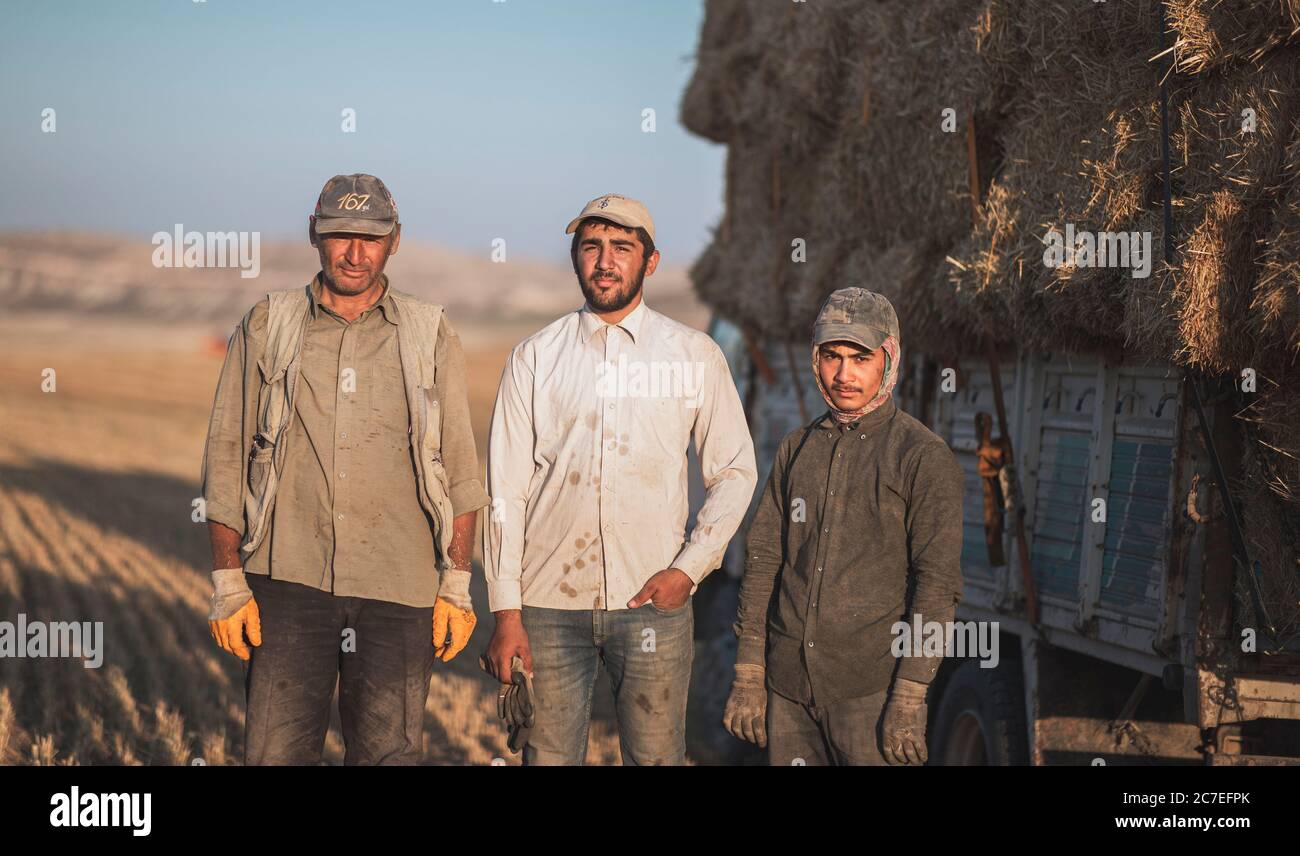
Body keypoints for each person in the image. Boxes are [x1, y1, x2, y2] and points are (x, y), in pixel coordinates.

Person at [201, 174, 487, 764]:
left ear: (395, 241)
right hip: (287, 580)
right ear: (314, 233)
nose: (355, 254)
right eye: (340, 236)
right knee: (274, 755)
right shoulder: (268, 324)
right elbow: (226, 456)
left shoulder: (428, 331)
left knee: (389, 757)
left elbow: (459, 467)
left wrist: (456, 585)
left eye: (371, 238)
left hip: (400, 588)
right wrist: (230, 584)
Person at [483, 194, 757, 765]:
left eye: (622, 248)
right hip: (549, 606)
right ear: (575, 258)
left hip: (653, 605)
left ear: (649, 262)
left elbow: (733, 472)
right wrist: (507, 612)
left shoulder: (694, 357)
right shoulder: (535, 358)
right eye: (591, 247)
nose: (605, 262)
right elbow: (504, 492)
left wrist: (689, 568)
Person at [723, 287, 964, 765]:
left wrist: (911, 694)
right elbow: (765, 559)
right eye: (831, 356)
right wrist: (749, 671)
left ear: (888, 360)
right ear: (816, 360)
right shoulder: (797, 448)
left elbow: (936, 586)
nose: (844, 374)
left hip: (871, 692)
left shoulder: (921, 456)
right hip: (788, 689)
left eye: (860, 358)